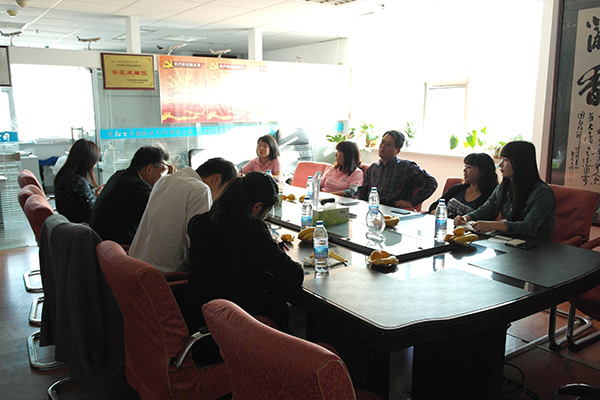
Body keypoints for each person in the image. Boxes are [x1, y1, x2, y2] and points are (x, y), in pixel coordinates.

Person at [184, 171, 304, 338]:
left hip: (198, 316)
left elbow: (228, 250)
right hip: (235, 322)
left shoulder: (198, 222)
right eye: (266, 211)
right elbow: (293, 275)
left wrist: (266, 248)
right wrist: (272, 250)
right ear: (257, 207)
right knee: (281, 305)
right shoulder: (252, 231)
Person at [129, 157, 237, 273]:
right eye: (225, 191)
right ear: (216, 179)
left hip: (136, 265)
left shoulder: (165, 180)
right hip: (165, 275)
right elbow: (198, 245)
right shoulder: (200, 189)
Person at [454, 141, 555, 240]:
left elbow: (528, 226)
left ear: (520, 163)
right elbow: (487, 208)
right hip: (510, 241)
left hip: (538, 246)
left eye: (506, 160)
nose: (500, 164)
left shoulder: (542, 193)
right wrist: (466, 217)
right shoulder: (504, 186)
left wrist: (494, 225)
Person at [89, 145, 175, 245]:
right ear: (149, 169)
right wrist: (170, 182)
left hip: (102, 244)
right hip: (118, 247)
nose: (163, 178)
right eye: (163, 172)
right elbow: (164, 217)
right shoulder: (138, 188)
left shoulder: (119, 175)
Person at [356, 130, 438, 209]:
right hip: (372, 209)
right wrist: (356, 199)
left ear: (397, 150)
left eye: (388, 144)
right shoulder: (373, 168)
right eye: (382, 142)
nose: (383, 146)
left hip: (393, 211)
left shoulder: (406, 167)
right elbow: (363, 190)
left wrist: (411, 202)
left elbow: (431, 183)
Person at [428, 153, 498, 218]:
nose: (464, 170)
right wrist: (441, 217)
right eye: (465, 166)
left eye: (469, 167)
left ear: (483, 171)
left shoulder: (490, 196)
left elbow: (483, 220)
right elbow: (434, 206)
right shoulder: (458, 188)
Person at [54, 138, 102, 223]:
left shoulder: (64, 175)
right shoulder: (78, 182)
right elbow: (93, 212)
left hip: (69, 223)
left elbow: (80, 200)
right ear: (87, 161)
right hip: (83, 225)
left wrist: (94, 193)